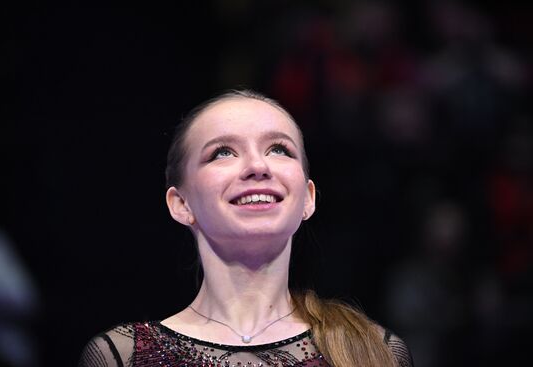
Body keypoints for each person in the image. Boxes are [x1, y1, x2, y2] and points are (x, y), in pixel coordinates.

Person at [78, 90, 413, 367]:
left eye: (279, 149)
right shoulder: (122, 356)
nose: (257, 166)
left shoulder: (374, 351)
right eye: (223, 152)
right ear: (182, 204)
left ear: (308, 199)